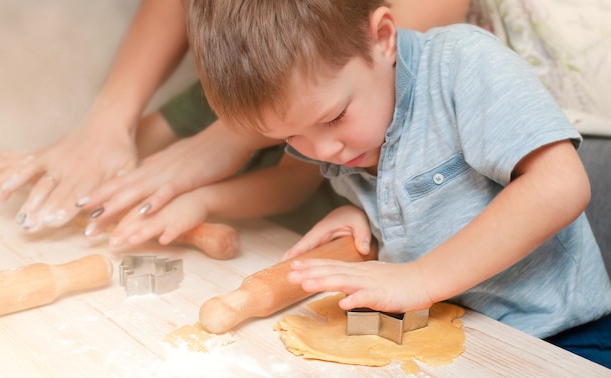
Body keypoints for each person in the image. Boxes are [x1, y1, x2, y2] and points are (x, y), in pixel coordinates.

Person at [183, 0, 611, 367]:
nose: (324, 150)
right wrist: (362, 217)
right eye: (290, 137)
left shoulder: (462, 62)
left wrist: (420, 279)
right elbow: (424, 204)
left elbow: (559, 185)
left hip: (561, 338)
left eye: (333, 118)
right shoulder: (350, 128)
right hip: (452, 336)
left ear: (383, 38)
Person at [0, 0, 470, 240]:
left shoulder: (416, 69)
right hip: (280, 60)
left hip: (340, 51)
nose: (321, 150)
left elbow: (301, 169)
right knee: (124, 168)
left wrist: (234, 135)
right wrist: (106, 124)